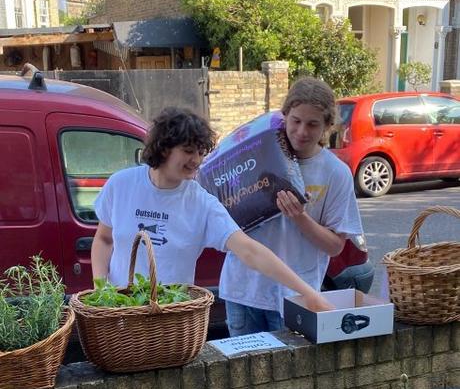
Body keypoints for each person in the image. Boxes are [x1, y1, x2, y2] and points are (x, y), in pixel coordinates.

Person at [91, 106, 333, 314]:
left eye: (200, 152)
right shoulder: (120, 184)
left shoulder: (201, 202)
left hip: (171, 321)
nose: (196, 160)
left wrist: (308, 293)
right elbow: (103, 239)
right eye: (188, 151)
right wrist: (102, 289)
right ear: (164, 148)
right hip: (119, 314)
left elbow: (250, 251)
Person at [219, 77, 364, 336]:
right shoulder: (256, 155)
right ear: (284, 115)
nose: (302, 132)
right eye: (296, 121)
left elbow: (335, 246)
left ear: (328, 126)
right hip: (242, 289)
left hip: (294, 297)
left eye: (312, 124)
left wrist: (300, 217)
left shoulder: (335, 173)